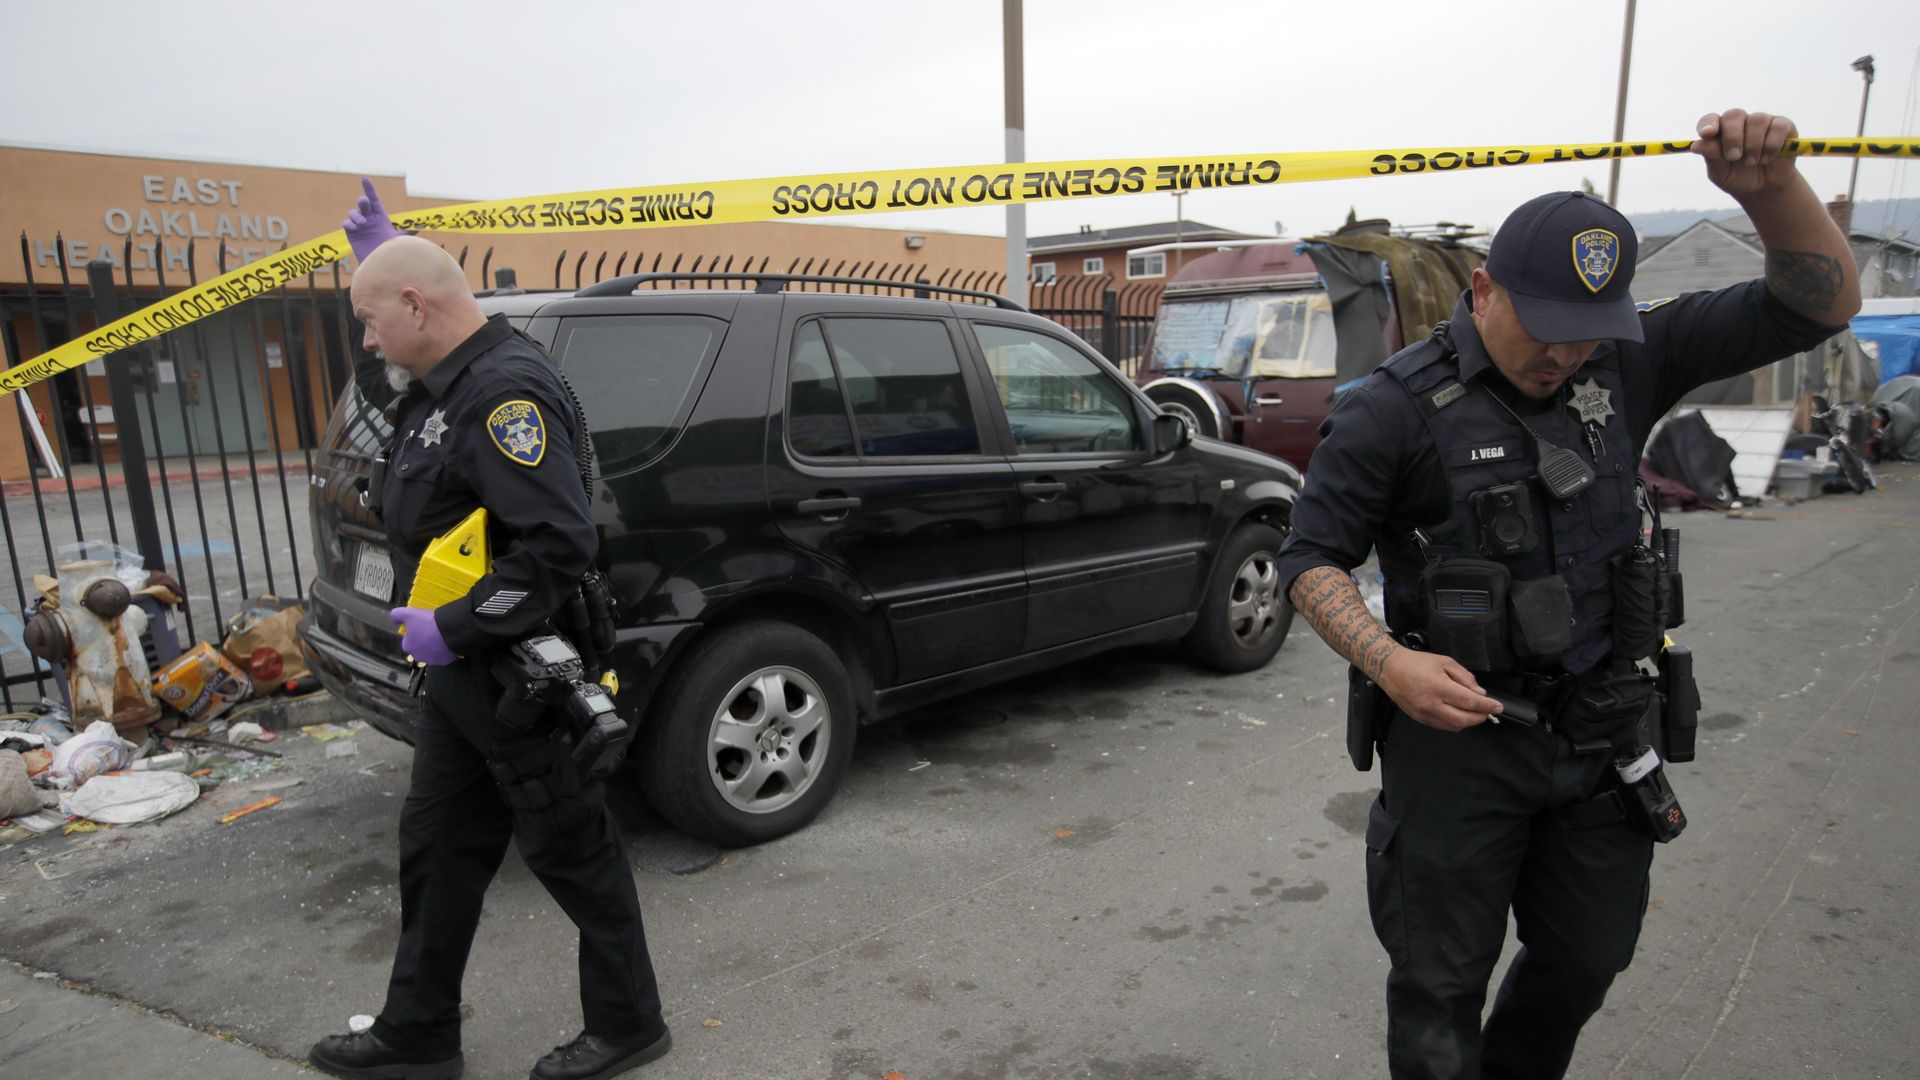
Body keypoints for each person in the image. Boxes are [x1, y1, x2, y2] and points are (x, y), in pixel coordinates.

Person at [1276, 109, 1859, 1080]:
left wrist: (1768, 191)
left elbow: (1815, 307)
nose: (1566, 356)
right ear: (1483, 289)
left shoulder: (1629, 363)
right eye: (1547, 330)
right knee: (1438, 991)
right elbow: (1307, 561)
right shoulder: (1389, 412)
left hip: (1598, 734)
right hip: (1459, 743)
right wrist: (1390, 660)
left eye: (1589, 335)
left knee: (1588, 958)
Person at [308, 181, 671, 1080]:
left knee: (573, 852)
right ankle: (418, 1035)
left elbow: (557, 543)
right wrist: (378, 264)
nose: (365, 338)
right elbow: (393, 400)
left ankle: (629, 1025)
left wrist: (456, 627)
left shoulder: (504, 395)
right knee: (437, 846)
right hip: (464, 679)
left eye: (370, 317)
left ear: (418, 306)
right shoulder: (444, 382)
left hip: (517, 674)